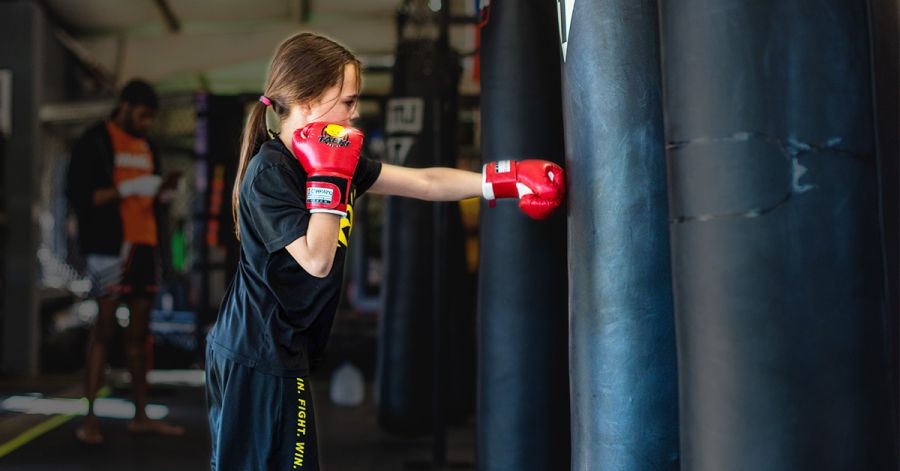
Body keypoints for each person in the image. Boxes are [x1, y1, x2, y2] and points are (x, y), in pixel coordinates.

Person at [205, 32, 565, 470]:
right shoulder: (272, 171)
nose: (354, 114)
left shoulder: (330, 157)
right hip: (255, 352)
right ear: (308, 97)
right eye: (348, 101)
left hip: (277, 347)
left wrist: (504, 178)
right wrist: (331, 177)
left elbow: (423, 182)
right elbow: (317, 260)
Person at [66, 79, 183, 445]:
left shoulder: (148, 145)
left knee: (140, 333)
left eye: (151, 118)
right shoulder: (96, 141)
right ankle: (89, 420)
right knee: (103, 330)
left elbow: (152, 198)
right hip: (108, 246)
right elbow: (80, 197)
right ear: (125, 106)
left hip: (144, 244)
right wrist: (128, 189)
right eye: (143, 115)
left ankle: (141, 415)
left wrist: (161, 193)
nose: (147, 123)